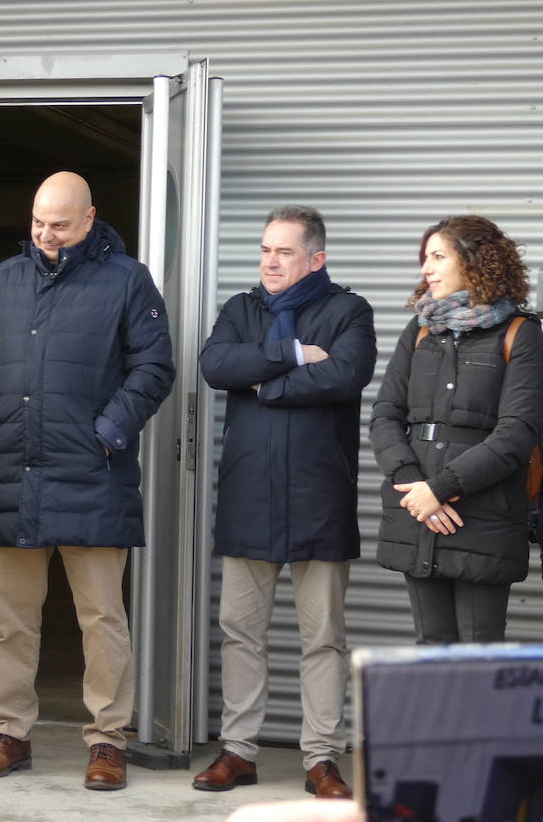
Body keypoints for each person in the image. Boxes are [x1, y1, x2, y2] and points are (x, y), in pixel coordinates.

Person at [0, 171, 174, 793]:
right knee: (11, 619)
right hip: (13, 468)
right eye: (36, 223)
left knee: (101, 617)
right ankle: (10, 734)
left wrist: (107, 431)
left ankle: (107, 740)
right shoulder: (5, 278)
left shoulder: (126, 279)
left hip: (91, 472)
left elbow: (154, 365)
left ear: (88, 219)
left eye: (58, 224)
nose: (44, 235)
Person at [193, 206, 376, 800]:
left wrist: (262, 380)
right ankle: (239, 752)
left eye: (284, 252)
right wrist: (296, 356)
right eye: (265, 250)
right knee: (240, 632)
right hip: (248, 492)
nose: (270, 262)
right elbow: (216, 365)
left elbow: (346, 377)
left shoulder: (349, 310)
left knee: (323, 637)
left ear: (315, 259)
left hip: (319, 494)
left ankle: (322, 758)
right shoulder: (239, 309)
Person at [370, 215, 543, 644]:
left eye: (437, 256)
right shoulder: (421, 329)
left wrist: (441, 488)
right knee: (431, 652)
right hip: (417, 511)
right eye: (424, 257)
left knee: (477, 655)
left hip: (482, 517)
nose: (425, 268)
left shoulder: (521, 334)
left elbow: (515, 434)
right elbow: (385, 414)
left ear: (474, 261)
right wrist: (414, 487)